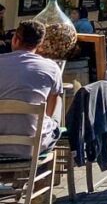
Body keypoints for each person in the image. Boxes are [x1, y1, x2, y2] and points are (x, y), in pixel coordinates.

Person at [0, 20, 62, 158]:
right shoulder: (51, 67)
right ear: (40, 44)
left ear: (15, 39)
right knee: (57, 97)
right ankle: (38, 177)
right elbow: (52, 103)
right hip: (32, 147)